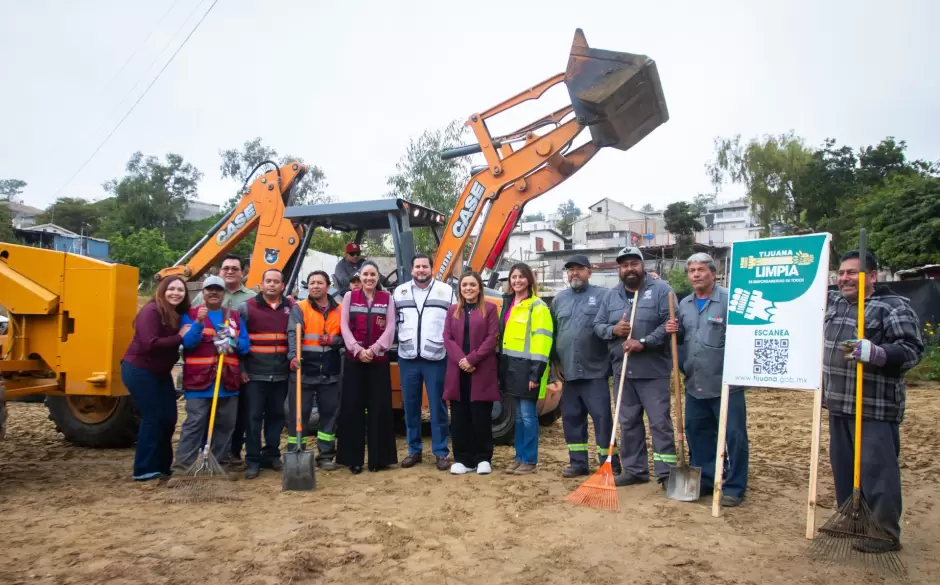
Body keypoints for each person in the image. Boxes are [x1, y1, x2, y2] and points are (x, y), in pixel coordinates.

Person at [822, 249, 923, 552]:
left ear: (873, 276)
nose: (844, 278)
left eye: (853, 272)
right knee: (843, 467)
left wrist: (878, 353)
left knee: (876, 470)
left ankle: (883, 531)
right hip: (838, 401)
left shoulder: (892, 307)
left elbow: (912, 350)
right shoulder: (835, 304)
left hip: (874, 406)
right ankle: (852, 518)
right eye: (841, 273)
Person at [665, 253, 747, 506]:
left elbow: (742, 337)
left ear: (713, 273)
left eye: (701, 269)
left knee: (733, 436)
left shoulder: (729, 301)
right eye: (691, 271)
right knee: (697, 433)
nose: (696, 274)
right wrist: (673, 332)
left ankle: (734, 486)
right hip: (694, 383)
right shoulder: (684, 304)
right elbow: (684, 341)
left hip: (725, 384)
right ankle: (709, 479)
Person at [593, 246, 677, 488]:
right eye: (624, 265)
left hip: (653, 371)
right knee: (628, 422)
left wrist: (643, 342)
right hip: (623, 371)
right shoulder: (611, 296)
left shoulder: (662, 291)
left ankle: (666, 473)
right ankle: (634, 469)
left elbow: (669, 323)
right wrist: (613, 330)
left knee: (659, 422)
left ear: (642, 266)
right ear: (620, 269)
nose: (629, 269)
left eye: (633, 264)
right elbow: (598, 325)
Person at [170, 276, 250, 477]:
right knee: (194, 424)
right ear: (202, 293)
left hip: (227, 382)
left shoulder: (233, 316)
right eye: (209, 289)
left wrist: (230, 339)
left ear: (224, 294)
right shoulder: (190, 315)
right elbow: (187, 343)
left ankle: (218, 465)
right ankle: (182, 468)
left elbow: (245, 346)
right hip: (199, 382)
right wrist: (198, 323)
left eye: (218, 290)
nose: (213, 293)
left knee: (225, 425)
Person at [551, 254, 623, 479]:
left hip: (595, 371)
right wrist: (556, 364)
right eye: (571, 269)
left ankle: (609, 463)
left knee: (602, 419)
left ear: (589, 272)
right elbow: (553, 335)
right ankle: (578, 463)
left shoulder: (604, 296)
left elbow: (613, 327)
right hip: (569, 372)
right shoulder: (559, 300)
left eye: (579, 269)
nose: (575, 273)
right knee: (571, 418)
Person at [121, 275, 190, 481]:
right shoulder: (151, 311)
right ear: (162, 290)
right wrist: (180, 337)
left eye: (180, 290)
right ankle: (144, 469)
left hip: (160, 372)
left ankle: (162, 465)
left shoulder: (176, 313)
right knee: (152, 417)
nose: (176, 293)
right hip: (140, 370)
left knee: (169, 417)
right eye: (171, 289)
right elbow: (149, 343)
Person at [192, 255, 257, 467]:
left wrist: (236, 345)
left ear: (243, 272)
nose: (230, 271)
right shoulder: (201, 298)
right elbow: (192, 323)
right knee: (201, 418)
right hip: (203, 367)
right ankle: (200, 456)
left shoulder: (250, 297)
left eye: (235, 269)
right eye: (226, 268)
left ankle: (231, 454)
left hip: (234, 366)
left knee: (232, 418)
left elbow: (247, 337)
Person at [394, 253, 457, 471]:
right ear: (412, 270)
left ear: (432, 269)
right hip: (408, 357)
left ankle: (441, 452)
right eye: (417, 267)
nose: (421, 270)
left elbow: (454, 322)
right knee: (411, 406)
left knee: (438, 406)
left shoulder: (446, 291)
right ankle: (414, 451)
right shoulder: (399, 292)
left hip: (436, 358)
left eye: (425, 267)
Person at [336, 260, 399, 473]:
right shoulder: (349, 297)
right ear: (359, 277)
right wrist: (357, 349)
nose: (369, 278)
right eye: (365, 275)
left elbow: (391, 327)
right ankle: (353, 459)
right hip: (355, 361)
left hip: (378, 361)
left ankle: (378, 459)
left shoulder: (387, 298)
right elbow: (344, 326)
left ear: (378, 277)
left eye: (373, 274)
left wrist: (373, 349)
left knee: (379, 409)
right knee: (353, 409)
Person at [442, 271, 500, 475]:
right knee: (459, 416)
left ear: (479, 288)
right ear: (460, 289)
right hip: (458, 371)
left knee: (480, 416)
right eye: (464, 285)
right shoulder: (452, 311)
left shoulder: (490, 309)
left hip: (481, 369)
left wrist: (472, 359)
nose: (468, 288)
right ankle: (462, 458)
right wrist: (462, 361)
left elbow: (492, 338)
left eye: (472, 285)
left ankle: (482, 457)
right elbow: (447, 338)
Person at [286, 270, 345, 471]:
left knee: (329, 414)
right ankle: (295, 451)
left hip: (329, 372)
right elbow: (293, 334)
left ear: (327, 286)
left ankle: (326, 455)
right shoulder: (300, 308)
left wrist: (333, 340)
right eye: (312, 283)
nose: (315, 286)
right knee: (297, 415)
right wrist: (293, 356)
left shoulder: (340, 309)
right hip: (304, 371)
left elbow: (346, 337)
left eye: (319, 282)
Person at [236, 268, 292, 480]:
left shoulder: (290, 307)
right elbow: (240, 342)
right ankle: (252, 460)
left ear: (282, 286)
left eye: (276, 281)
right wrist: (242, 369)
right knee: (253, 419)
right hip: (255, 375)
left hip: (280, 375)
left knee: (276, 417)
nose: (272, 285)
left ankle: (271, 455)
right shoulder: (247, 308)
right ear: (261, 284)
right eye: (268, 281)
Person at [498, 263, 554, 475]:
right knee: (519, 418)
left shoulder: (537, 306)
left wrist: (535, 373)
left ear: (529, 280)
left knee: (528, 416)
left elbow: (542, 342)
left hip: (528, 369)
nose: (517, 280)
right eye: (514, 277)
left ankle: (529, 460)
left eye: (521, 277)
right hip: (512, 368)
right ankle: (519, 457)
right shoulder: (510, 304)